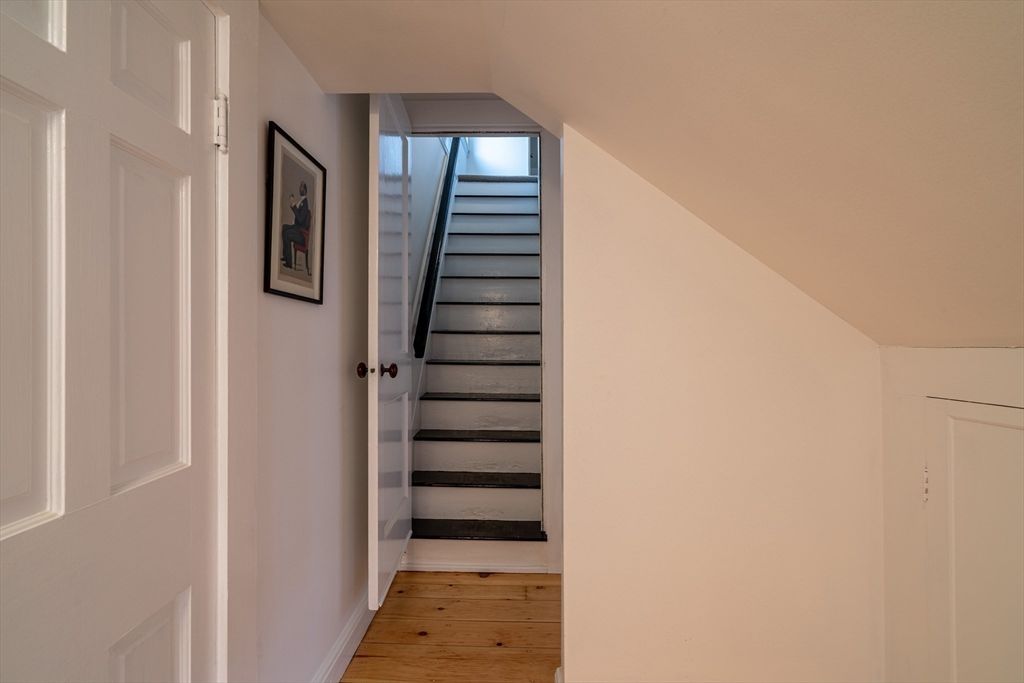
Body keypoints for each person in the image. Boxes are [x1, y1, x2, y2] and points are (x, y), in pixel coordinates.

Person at [282, 181, 311, 270]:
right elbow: (298, 214)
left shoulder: (305, 203)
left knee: (287, 234)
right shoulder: (301, 201)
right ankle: (286, 256)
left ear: (305, 190)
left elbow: (300, 219)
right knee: (284, 227)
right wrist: (293, 204)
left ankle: (289, 263)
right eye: (300, 187)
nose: (300, 189)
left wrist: (294, 206)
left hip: (302, 234)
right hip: (297, 228)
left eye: (302, 188)